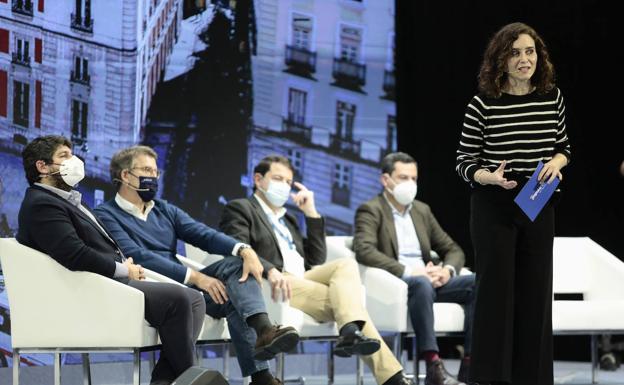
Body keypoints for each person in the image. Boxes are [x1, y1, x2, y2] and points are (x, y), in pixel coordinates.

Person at [94, 146, 299, 385]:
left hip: (184, 289)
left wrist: (244, 249)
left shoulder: (164, 209)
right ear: (125, 175)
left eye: (155, 171)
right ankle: (261, 376)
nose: (153, 176)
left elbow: (203, 234)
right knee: (223, 294)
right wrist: (196, 277)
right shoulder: (106, 213)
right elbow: (137, 255)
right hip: (149, 287)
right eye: (146, 169)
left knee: (234, 272)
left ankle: (263, 333)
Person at [16, 136, 206, 385]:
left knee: (194, 299)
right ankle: (190, 379)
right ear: (42, 167)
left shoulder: (68, 199)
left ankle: (167, 381)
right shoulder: (41, 204)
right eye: (64, 156)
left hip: (104, 283)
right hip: (85, 291)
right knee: (178, 298)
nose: (74, 161)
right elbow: (75, 254)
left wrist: (124, 265)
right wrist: (122, 269)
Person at [219, 155, 414, 385]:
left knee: (346, 265)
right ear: (259, 179)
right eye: (278, 178)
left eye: (289, 182)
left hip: (302, 277)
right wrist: (271, 270)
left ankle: (351, 331)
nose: (285, 186)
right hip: (272, 280)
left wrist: (310, 212)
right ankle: (389, 374)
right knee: (349, 304)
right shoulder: (241, 208)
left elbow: (316, 259)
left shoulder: (288, 218)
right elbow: (239, 247)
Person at [456, 22, 571, 385]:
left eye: (530, 51)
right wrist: (487, 176)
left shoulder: (551, 96)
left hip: (537, 196)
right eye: (516, 53)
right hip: (494, 202)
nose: (525, 59)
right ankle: (492, 379)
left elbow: (563, 148)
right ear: (500, 60)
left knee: (536, 292)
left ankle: (533, 379)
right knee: (496, 294)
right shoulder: (482, 104)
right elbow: (463, 162)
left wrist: (556, 163)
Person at [354, 152, 474, 385]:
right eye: (403, 177)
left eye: (414, 178)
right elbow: (364, 250)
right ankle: (433, 365)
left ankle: (470, 363)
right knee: (420, 283)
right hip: (400, 283)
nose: (410, 184)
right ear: (385, 180)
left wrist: (446, 270)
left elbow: (453, 249)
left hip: (431, 280)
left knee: (478, 282)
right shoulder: (371, 209)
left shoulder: (422, 210)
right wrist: (409, 271)